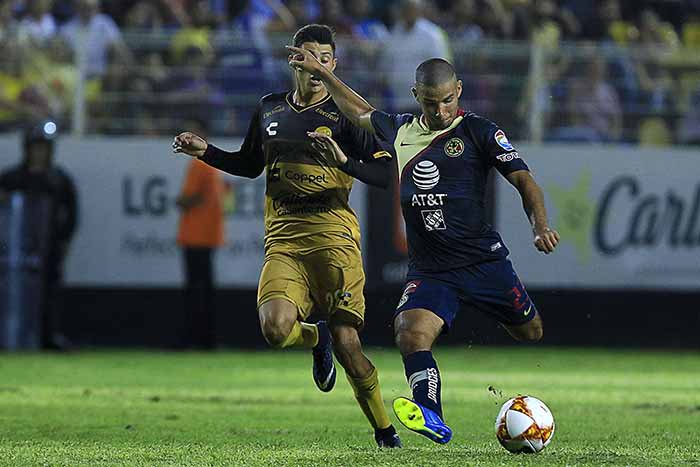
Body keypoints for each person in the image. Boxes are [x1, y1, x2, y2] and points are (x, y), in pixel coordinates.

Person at [287, 49, 560, 444]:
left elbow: (524, 180)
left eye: (449, 100)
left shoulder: (481, 131)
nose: (441, 110)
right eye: (431, 103)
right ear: (417, 95)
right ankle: (431, 414)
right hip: (432, 269)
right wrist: (323, 76)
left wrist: (540, 226)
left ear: (459, 91)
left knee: (531, 332)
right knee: (409, 333)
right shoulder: (400, 130)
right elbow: (359, 111)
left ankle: (485, 334)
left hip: (484, 261)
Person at [172, 24, 402, 448]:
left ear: (333, 65)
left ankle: (384, 431)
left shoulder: (346, 115)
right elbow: (248, 164)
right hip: (285, 239)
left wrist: (345, 161)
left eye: (325, 59)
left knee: (350, 344)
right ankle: (315, 338)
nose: (315, 66)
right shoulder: (269, 109)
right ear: (293, 59)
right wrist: (205, 152)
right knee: (276, 330)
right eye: (307, 56)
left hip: (334, 235)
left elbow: (388, 174)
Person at [0, 121, 78, 350]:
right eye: (35, 147)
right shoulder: (11, 178)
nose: (39, 152)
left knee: (49, 291)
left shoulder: (59, 179)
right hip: (13, 248)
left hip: (48, 246)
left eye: (43, 147)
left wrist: (64, 240)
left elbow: (71, 213)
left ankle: (48, 336)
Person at [176, 120, 226, 349]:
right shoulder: (212, 166)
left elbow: (188, 199)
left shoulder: (198, 166)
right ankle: (208, 339)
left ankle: (194, 339)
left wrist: (179, 201)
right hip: (209, 235)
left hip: (195, 235)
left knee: (195, 291)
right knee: (206, 291)